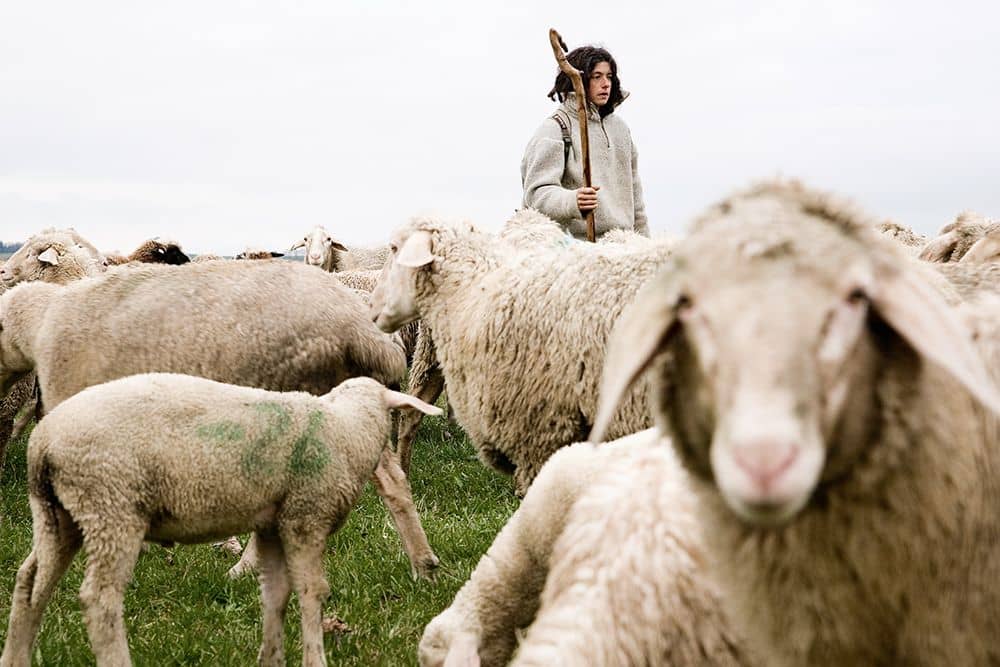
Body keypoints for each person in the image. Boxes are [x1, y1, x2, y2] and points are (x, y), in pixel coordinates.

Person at [520, 45, 649, 240]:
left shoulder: (620, 129)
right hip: (575, 251)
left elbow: (635, 198)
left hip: (624, 248)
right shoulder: (554, 129)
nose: (606, 84)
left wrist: (645, 246)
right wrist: (572, 201)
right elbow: (536, 195)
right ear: (578, 80)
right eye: (597, 77)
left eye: (609, 76)